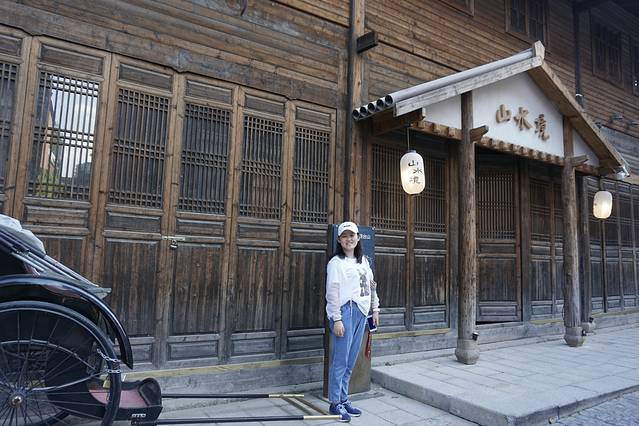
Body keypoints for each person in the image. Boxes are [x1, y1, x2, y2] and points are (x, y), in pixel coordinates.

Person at [326, 221, 380, 422]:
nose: (349, 239)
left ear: (358, 237)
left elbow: (371, 286)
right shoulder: (336, 263)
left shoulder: (363, 261)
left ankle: (344, 398)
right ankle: (335, 402)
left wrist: (375, 308)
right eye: (345, 236)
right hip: (345, 311)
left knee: (350, 361)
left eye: (352, 235)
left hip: (361, 312)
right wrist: (337, 319)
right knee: (340, 360)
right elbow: (332, 293)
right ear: (339, 240)